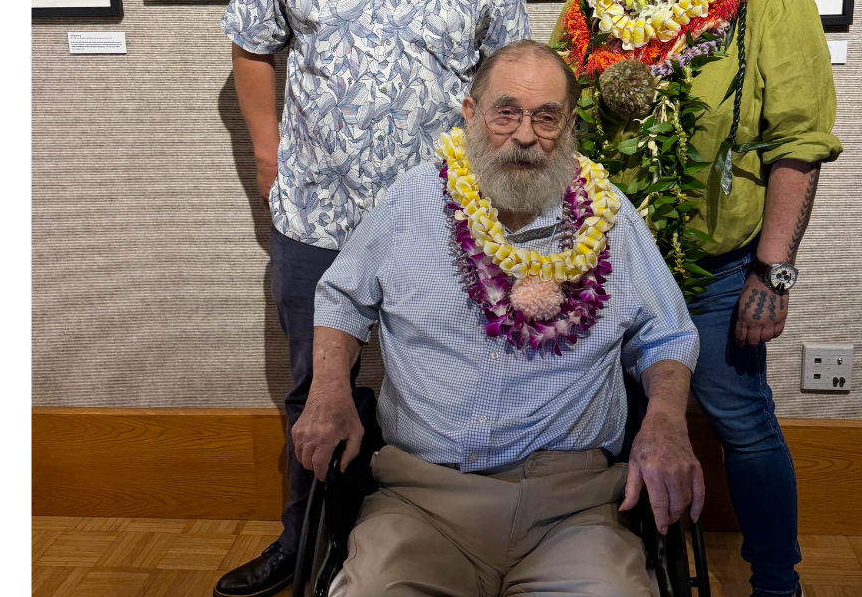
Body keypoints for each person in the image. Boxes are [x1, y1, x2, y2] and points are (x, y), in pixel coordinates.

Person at [215, 0, 531, 597]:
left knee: (429, 399)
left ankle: (403, 560)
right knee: (317, 396)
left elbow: (506, 90)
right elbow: (251, 44)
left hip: (433, 227)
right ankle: (305, 544)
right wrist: (269, 156)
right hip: (315, 221)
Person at [552, 0, 842, 597]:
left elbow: (798, 144)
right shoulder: (590, 2)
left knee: (741, 423)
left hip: (719, 272)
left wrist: (771, 272)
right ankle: (632, 574)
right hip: (608, 271)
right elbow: (556, 116)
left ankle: (776, 583)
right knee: (610, 429)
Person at [296, 40, 703, 597]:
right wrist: (326, 393)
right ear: (470, 114)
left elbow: (668, 333)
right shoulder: (413, 200)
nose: (526, 136)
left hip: (576, 506)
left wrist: (666, 422)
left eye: (547, 117)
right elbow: (343, 297)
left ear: (568, 124)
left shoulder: (607, 216)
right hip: (423, 499)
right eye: (506, 112)